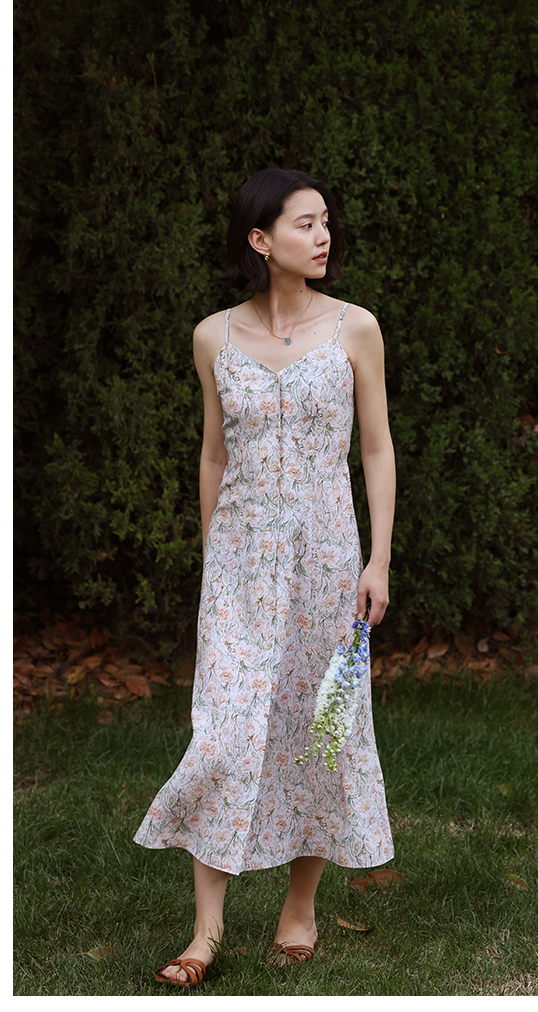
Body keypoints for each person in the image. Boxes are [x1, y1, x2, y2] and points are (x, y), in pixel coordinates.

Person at [134, 168, 396, 985]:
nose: (323, 236)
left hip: (328, 560)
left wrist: (378, 559)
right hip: (240, 565)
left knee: (320, 729)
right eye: (304, 224)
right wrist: (214, 555)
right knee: (223, 731)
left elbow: (377, 448)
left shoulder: (355, 328)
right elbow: (213, 452)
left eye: (325, 222)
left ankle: (300, 907)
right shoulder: (212, 336)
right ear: (261, 239)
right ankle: (206, 931)